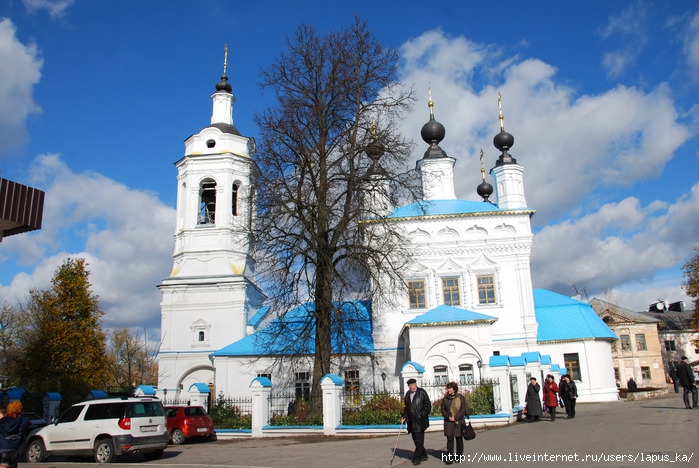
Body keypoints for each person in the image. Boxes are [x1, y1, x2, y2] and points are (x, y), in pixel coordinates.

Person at [401, 378, 431, 465]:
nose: (411, 387)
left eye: (412, 385)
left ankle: (417, 457)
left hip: (420, 421)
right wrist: (404, 416)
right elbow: (406, 407)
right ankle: (424, 454)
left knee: (419, 440)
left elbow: (428, 405)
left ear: (416, 385)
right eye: (410, 386)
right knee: (416, 439)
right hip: (411, 422)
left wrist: (422, 414)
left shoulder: (422, 393)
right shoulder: (407, 394)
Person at [440, 382, 467, 464]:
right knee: (450, 439)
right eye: (448, 388)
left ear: (454, 389)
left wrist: (455, 417)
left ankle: (459, 456)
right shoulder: (445, 399)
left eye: (450, 388)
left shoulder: (460, 397)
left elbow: (463, 409)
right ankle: (449, 458)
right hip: (448, 422)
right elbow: (443, 410)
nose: (448, 390)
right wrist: (448, 417)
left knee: (459, 439)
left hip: (458, 421)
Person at [0, 402, 30, 468]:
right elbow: (27, 423)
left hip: (2, 448)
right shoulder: (23, 420)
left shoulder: (2, 421)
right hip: (15, 449)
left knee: (4, 463)